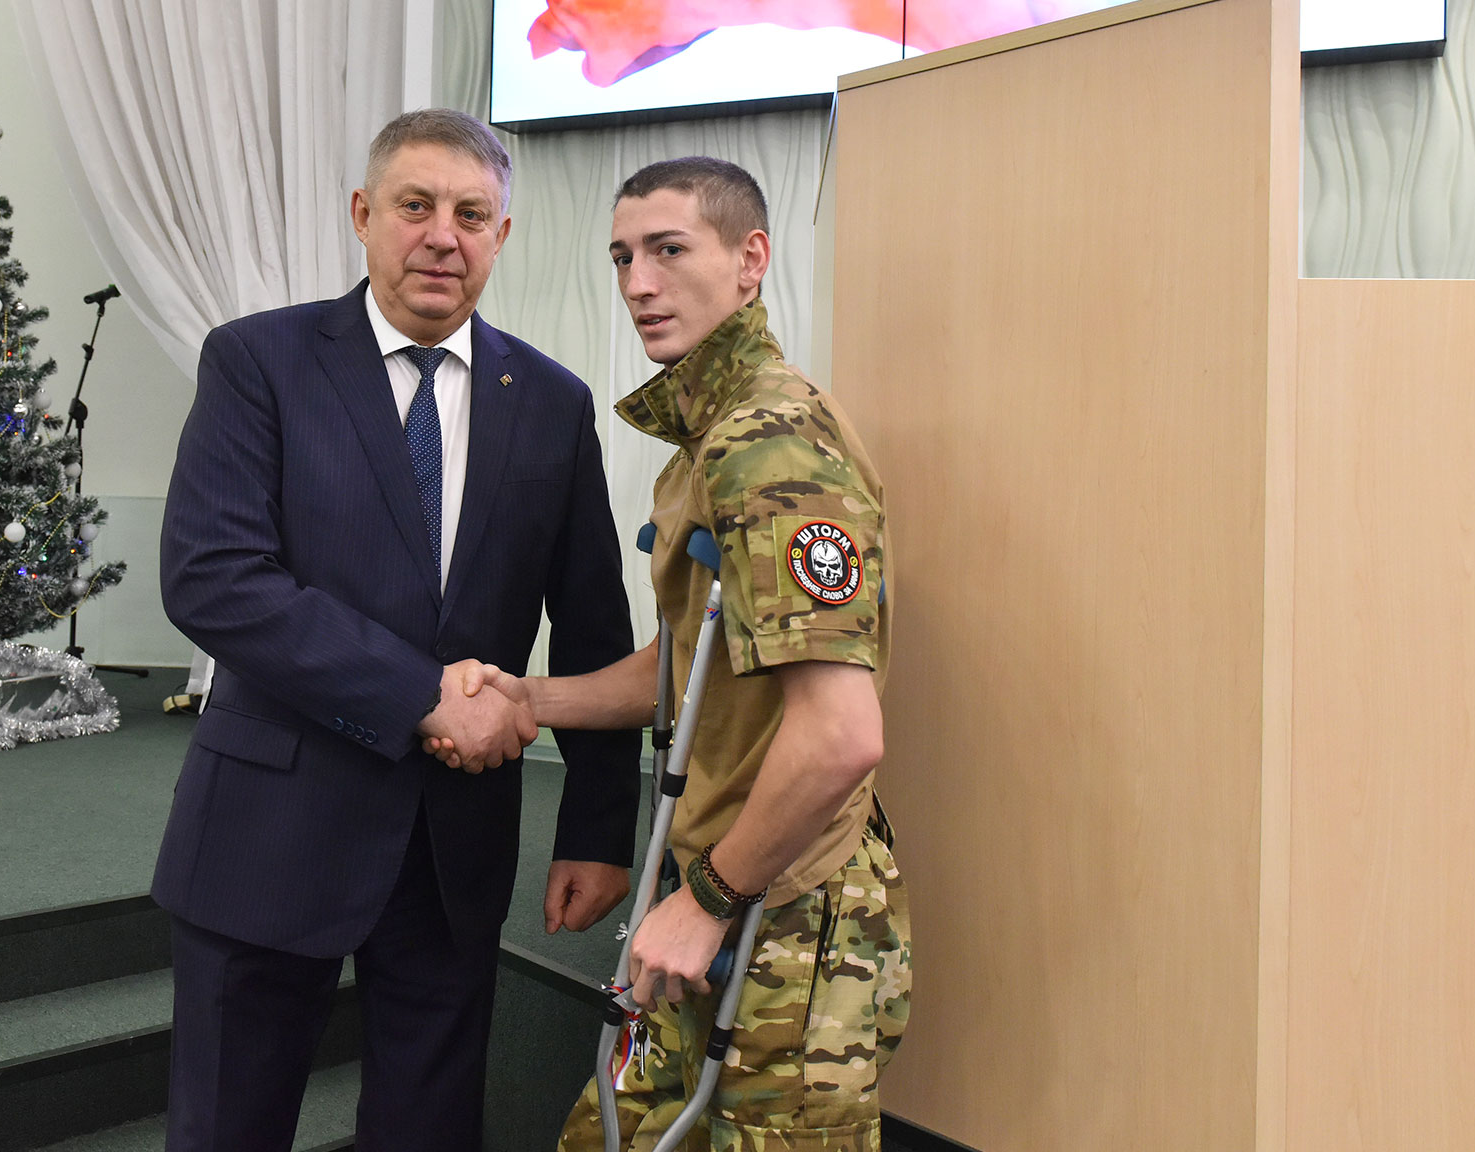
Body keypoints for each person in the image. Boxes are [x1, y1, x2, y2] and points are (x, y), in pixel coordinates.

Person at [152, 108, 641, 1152]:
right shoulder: (257, 361)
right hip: (268, 832)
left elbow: (593, 626)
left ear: (501, 235)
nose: (441, 237)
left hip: (451, 852)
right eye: (415, 206)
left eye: (471, 214)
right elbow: (215, 580)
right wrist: (423, 696)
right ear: (364, 215)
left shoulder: (552, 403)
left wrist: (597, 831)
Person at [435, 157, 911, 1151]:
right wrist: (531, 699)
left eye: (668, 250)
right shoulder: (709, 437)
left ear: (750, 260)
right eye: (622, 257)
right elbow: (690, 664)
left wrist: (706, 903)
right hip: (718, 878)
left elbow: (840, 735)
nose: (639, 283)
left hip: (783, 908)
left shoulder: (772, 443)